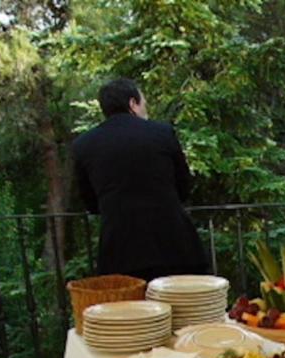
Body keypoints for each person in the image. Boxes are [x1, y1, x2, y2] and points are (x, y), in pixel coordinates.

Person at [71, 78, 208, 281]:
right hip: (172, 241)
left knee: (129, 310)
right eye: (144, 103)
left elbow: (90, 201)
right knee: (183, 307)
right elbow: (184, 186)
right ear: (133, 104)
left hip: (119, 248)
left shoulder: (84, 144)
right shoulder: (162, 133)